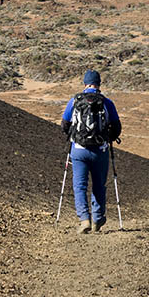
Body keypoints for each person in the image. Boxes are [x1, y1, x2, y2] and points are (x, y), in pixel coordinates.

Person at [61, 69, 121, 233]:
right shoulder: (107, 102)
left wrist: (73, 136)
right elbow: (117, 127)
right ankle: (97, 219)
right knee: (98, 185)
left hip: (78, 150)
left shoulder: (75, 101)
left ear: (85, 83)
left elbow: (65, 124)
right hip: (100, 151)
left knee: (79, 185)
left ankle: (84, 219)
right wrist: (108, 138)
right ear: (98, 84)